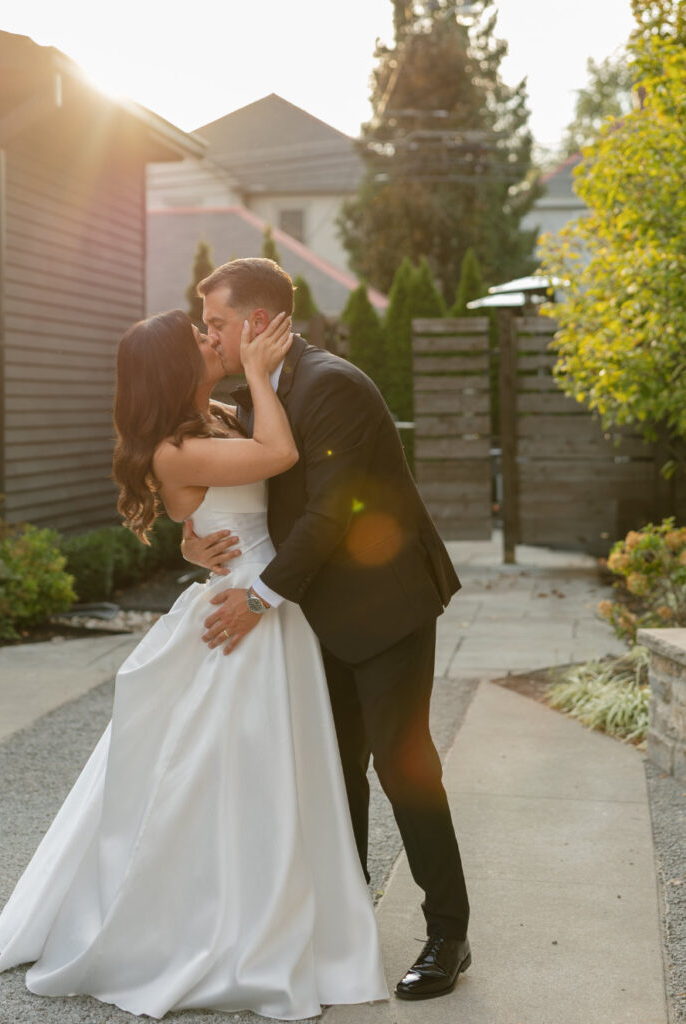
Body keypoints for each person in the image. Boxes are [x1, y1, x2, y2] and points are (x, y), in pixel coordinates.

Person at [0, 309, 389, 1020]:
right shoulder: (176, 447)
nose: (214, 340)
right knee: (230, 764)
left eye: (211, 330)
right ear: (174, 365)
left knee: (267, 762)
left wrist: (189, 539)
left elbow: (225, 506)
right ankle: (211, 920)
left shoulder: (217, 417)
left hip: (267, 598)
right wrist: (263, 377)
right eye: (199, 338)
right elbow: (279, 459)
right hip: (243, 609)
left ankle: (283, 902)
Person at [182, 258, 471, 1001]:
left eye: (214, 321)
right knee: (334, 769)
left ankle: (448, 934)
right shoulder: (257, 396)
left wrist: (258, 601)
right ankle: (346, 922)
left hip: (386, 606)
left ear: (255, 323)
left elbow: (333, 509)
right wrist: (192, 541)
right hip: (316, 614)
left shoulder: (330, 384)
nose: (205, 335)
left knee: (402, 765)